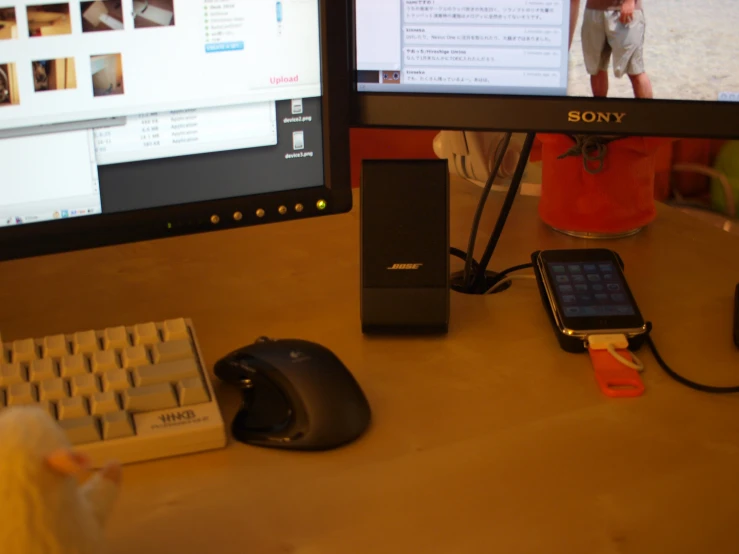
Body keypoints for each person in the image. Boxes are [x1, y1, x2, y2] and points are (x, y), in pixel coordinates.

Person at [581, 0, 653, 98]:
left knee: (635, 70)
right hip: (593, 9)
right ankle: (600, 111)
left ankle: (648, 112)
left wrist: (629, 1)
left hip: (625, 10)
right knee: (596, 69)